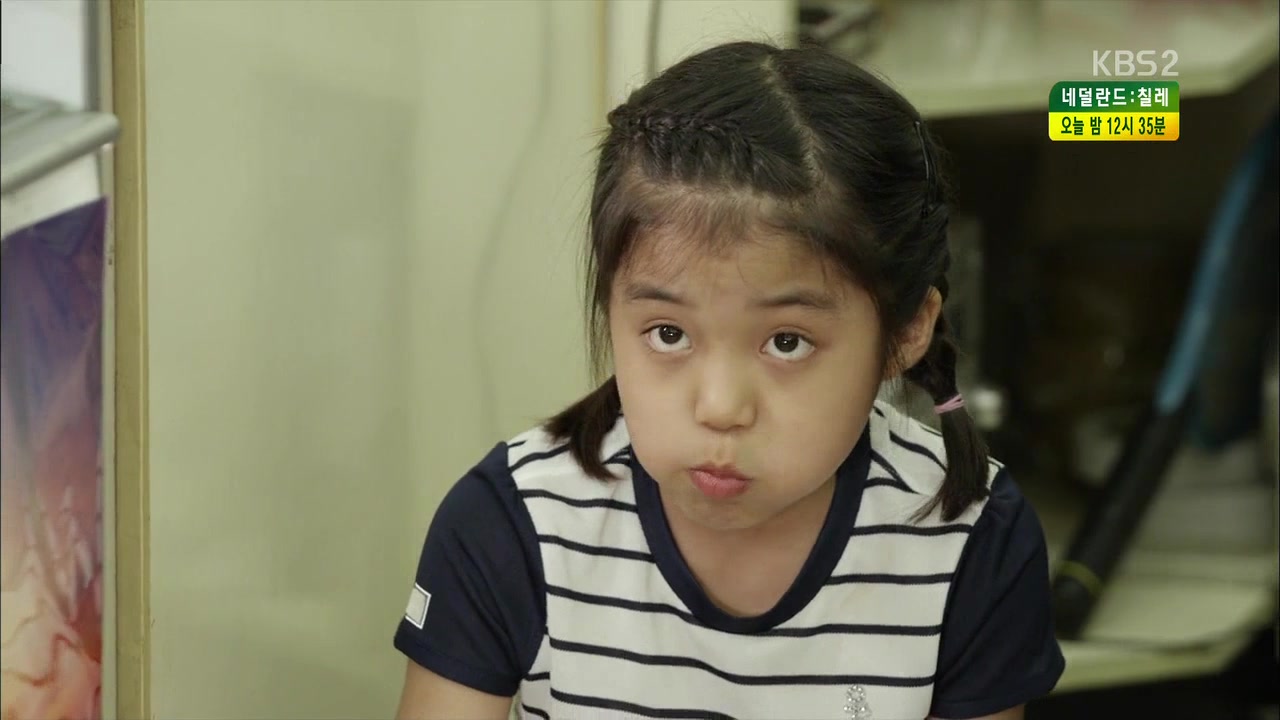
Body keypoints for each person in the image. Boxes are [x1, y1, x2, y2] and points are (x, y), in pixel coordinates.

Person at [392, 40, 1064, 720]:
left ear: (908, 329)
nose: (719, 408)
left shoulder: (972, 539)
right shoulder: (513, 523)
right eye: (668, 334)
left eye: (786, 342)